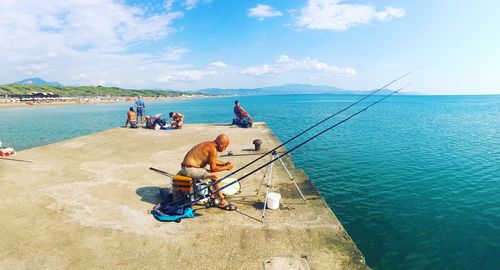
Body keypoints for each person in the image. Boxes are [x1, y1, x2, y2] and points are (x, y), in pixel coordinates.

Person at [180, 134, 237, 211]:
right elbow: (214, 168)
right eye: (225, 146)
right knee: (216, 175)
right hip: (189, 169)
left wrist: (224, 163)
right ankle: (222, 200)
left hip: (187, 167)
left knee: (213, 175)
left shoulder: (210, 144)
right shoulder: (212, 149)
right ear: (220, 144)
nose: (225, 149)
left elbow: (213, 161)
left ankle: (213, 197)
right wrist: (226, 167)